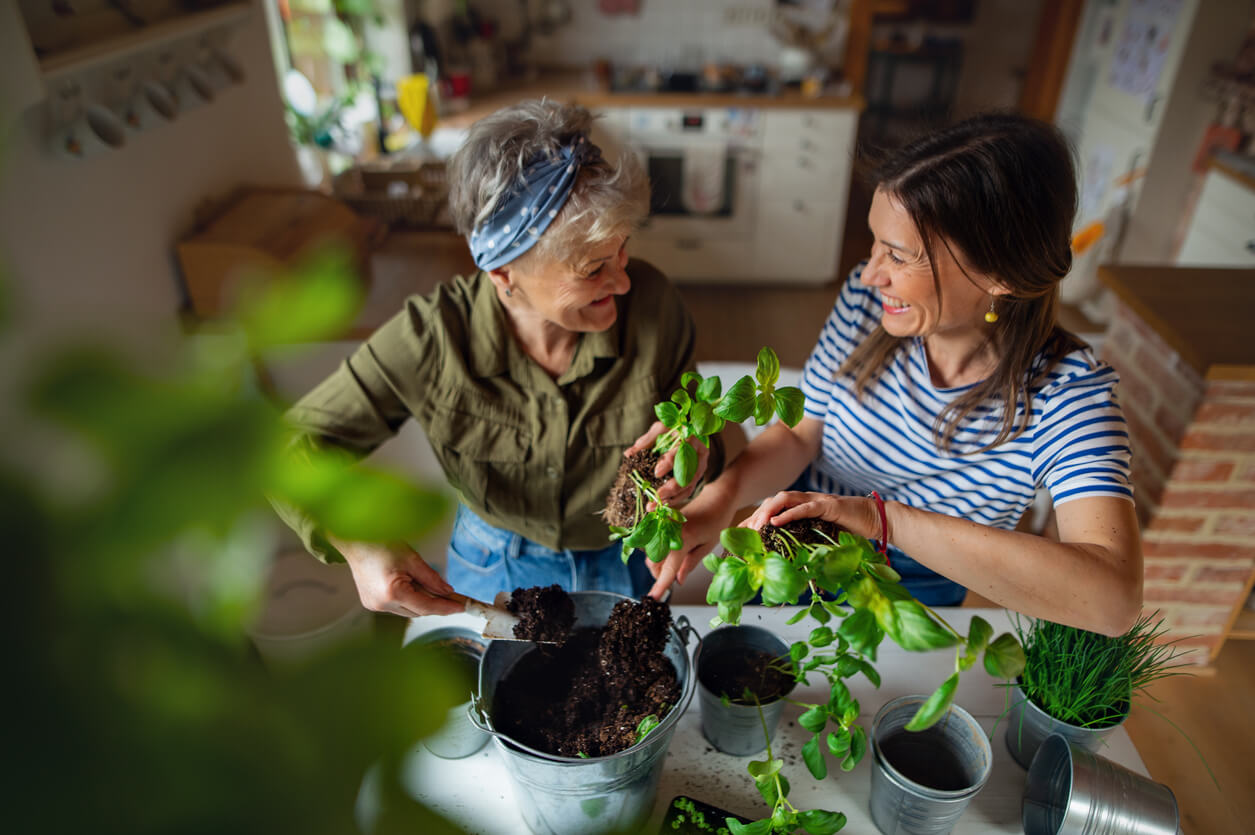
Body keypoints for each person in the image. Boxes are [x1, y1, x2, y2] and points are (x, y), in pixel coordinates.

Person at [647, 111, 1143, 637]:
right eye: (874, 243)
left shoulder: (1069, 396)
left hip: (911, 592)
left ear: (1000, 275)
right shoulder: (867, 303)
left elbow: (1113, 604)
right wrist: (721, 501)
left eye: (899, 255)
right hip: (787, 543)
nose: (870, 272)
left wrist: (881, 519)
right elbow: (800, 432)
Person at [273, 100, 723, 618]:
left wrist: (697, 455)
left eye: (622, 250)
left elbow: (699, 429)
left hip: (624, 560)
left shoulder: (654, 304)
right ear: (504, 275)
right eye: (593, 268)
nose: (622, 281)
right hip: (495, 568)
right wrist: (355, 543)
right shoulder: (432, 339)